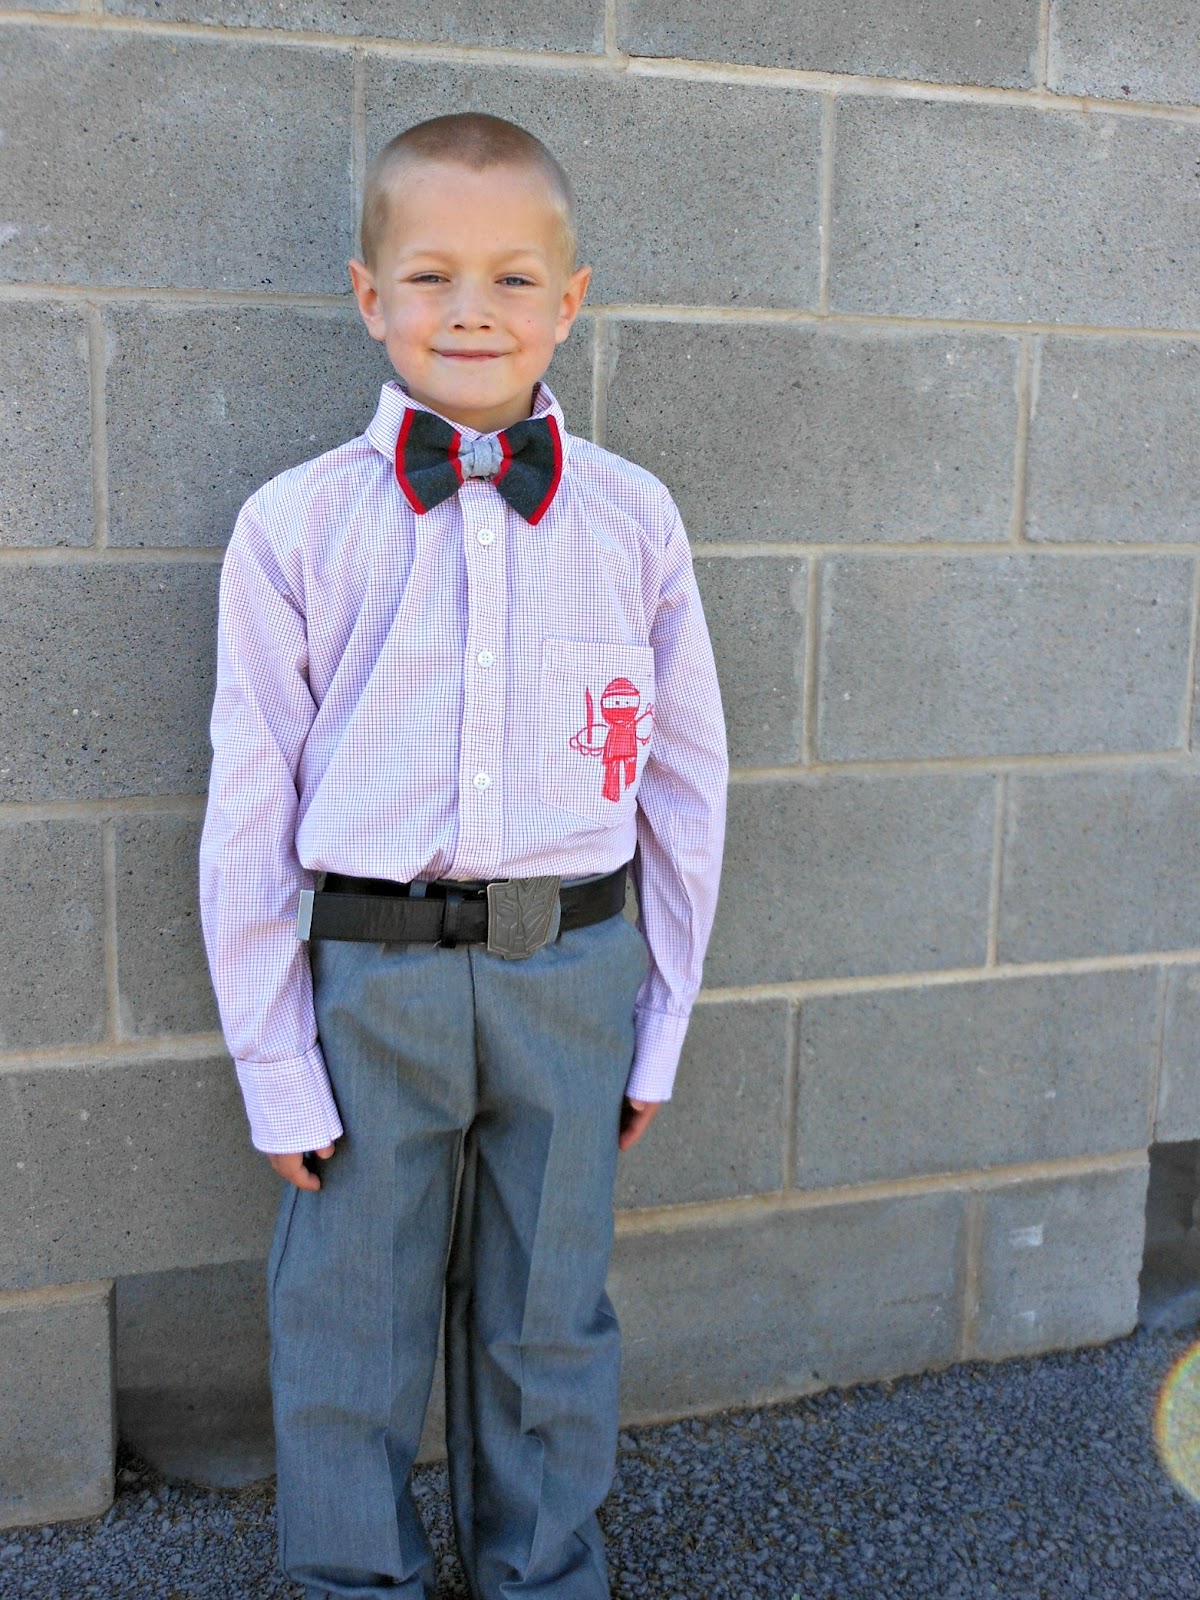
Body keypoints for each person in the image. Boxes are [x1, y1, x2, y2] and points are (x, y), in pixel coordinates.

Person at [197, 110, 728, 1600]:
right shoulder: (296, 526)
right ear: (370, 296)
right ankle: (351, 1580)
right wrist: (273, 1060)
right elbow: (248, 806)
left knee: (550, 1320)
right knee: (348, 1322)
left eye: (513, 278)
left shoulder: (632, 518)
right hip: (373, 988)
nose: (472, 310)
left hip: (577, 972)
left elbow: (687, 783)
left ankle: (543, 1574)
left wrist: (660, 1022)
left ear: (570, 301)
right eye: (431, 276)